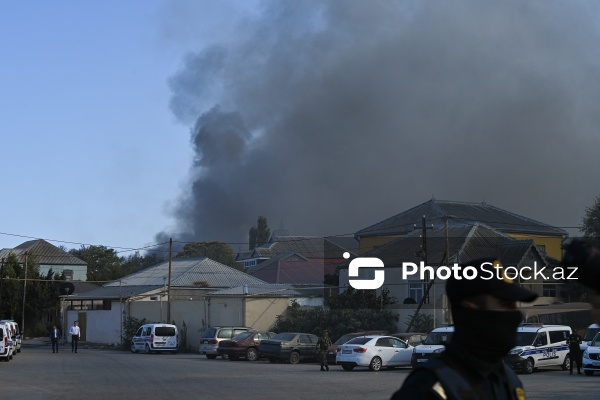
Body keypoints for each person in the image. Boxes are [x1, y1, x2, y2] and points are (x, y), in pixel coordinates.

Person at [391, 258, 538, 400]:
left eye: (514, 305)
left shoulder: (507, 379)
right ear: (471, 311)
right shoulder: (426, 388)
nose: (516, 314)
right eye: (505, 305)